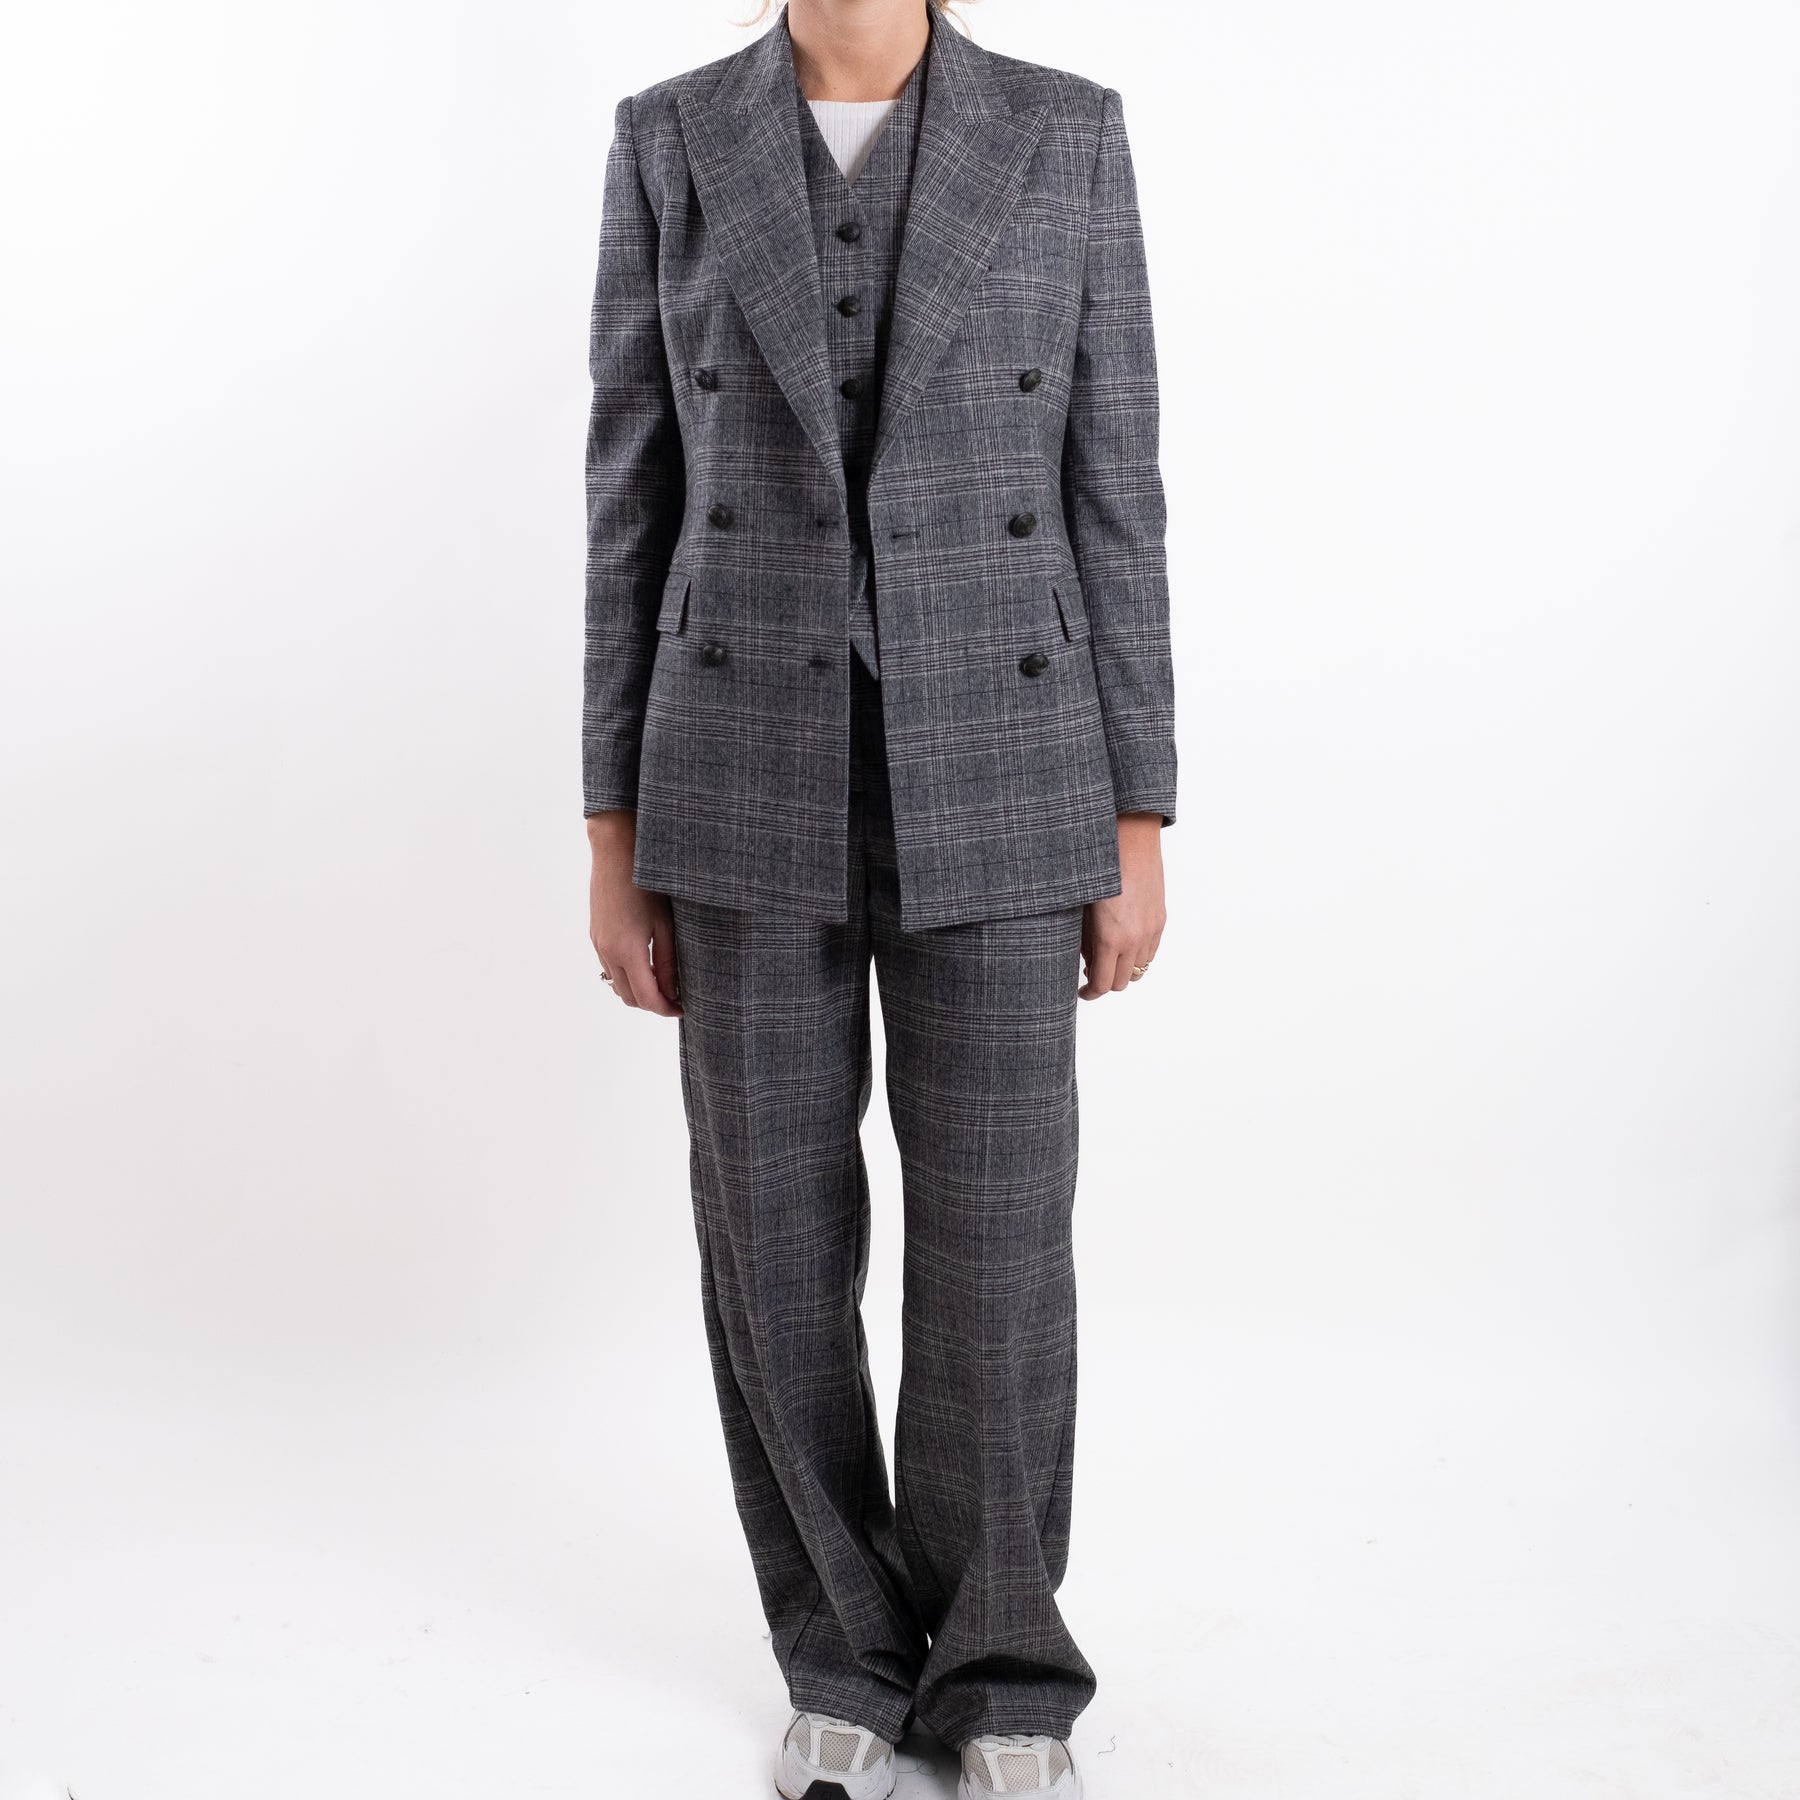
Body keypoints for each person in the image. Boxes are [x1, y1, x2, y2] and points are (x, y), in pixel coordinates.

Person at [582, 0, 1175, 1792]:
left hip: (1008, 751)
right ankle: (840, 1655)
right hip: (733, 762)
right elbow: (630, 495)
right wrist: (609, 829)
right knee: (770, 1240)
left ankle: (1003, 1676)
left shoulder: (1065, 129)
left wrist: (1137, 812)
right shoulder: (671, 135)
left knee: (999, 1244)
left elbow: (1115, 485)